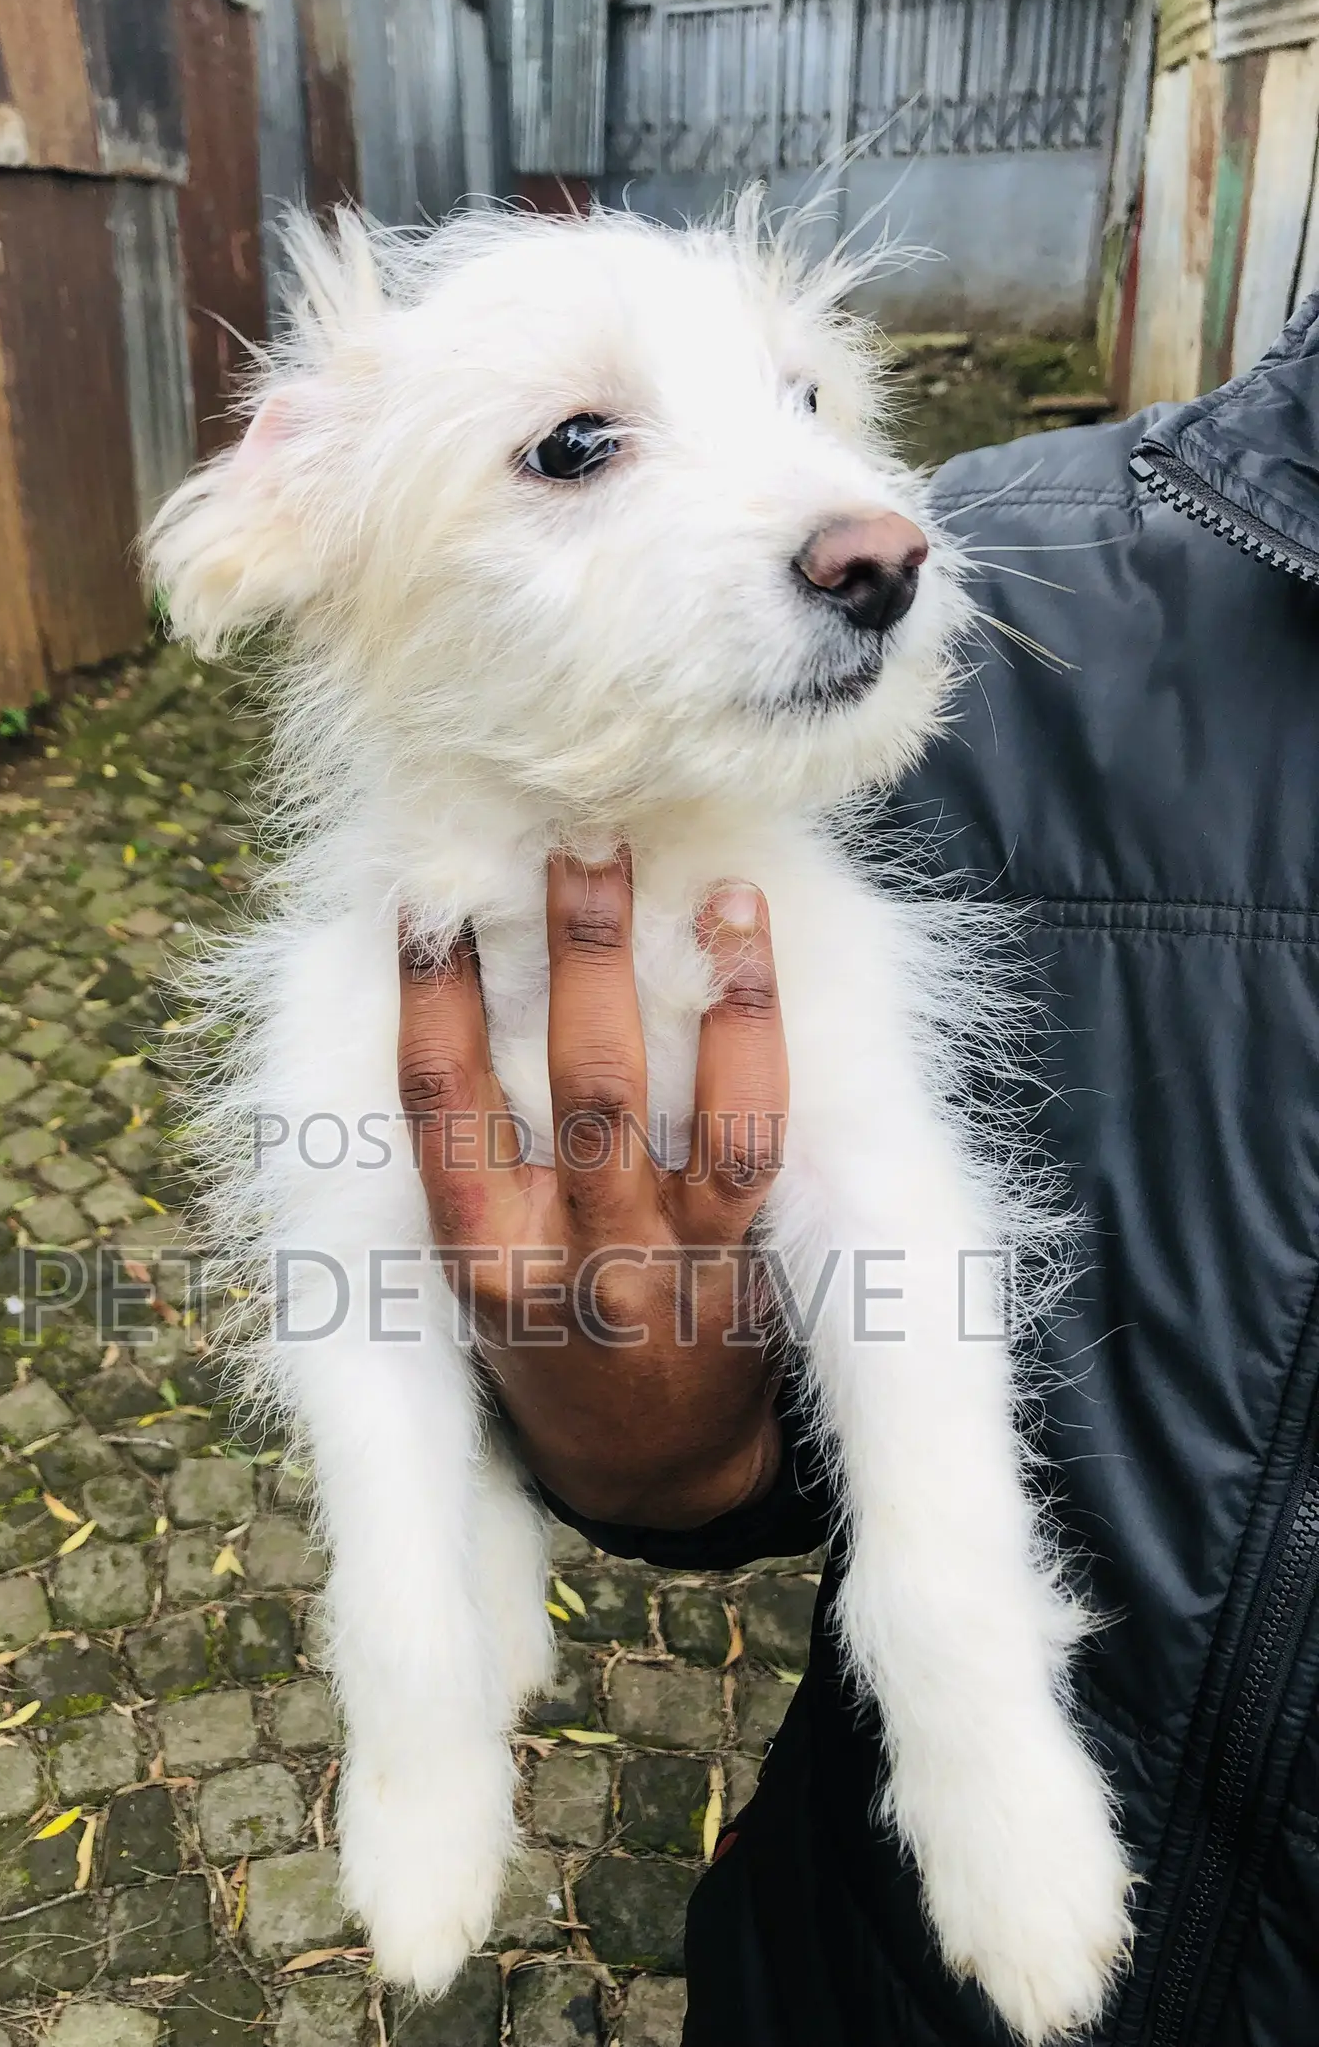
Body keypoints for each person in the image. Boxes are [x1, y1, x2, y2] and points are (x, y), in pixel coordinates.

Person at [395, 294, 1319, 2047]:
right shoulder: (1002, 580)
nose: (851, 512)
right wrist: (652, 1444)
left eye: (807, 392)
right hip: (857, 1977)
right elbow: (769, 1353)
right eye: (584, 446)